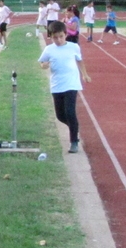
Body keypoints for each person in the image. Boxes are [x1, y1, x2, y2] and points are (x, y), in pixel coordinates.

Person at [39, 20, 91, 153]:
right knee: (61, 115)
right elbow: (42, 62)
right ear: (50, 36)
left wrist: (84, 75)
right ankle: (74, 128)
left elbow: (80, 61)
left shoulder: (73, 47)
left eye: (61, 36)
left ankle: (74, 142)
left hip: (71, 84)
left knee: (70, 112)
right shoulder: (49, 49)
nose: (58, 40)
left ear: (66, 34)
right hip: (57, 85)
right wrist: (44, 65)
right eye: (55, 37)